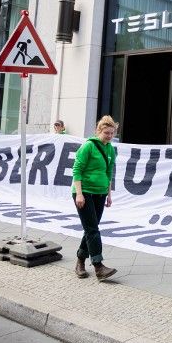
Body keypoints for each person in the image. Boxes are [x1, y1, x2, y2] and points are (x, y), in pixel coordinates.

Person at [72, 115, 119, 281]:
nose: (109, 136)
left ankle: (80, 261)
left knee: (91, 228)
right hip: (84, 192)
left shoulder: (111, 149)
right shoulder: (89, 146)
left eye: (112, 133)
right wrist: (79, 194)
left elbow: (109, 173)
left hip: (100, 193)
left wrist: (109, 195)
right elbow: (77, 170)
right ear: (99, 131)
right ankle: (98, 266)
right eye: (106, 133)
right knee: (93, 229)